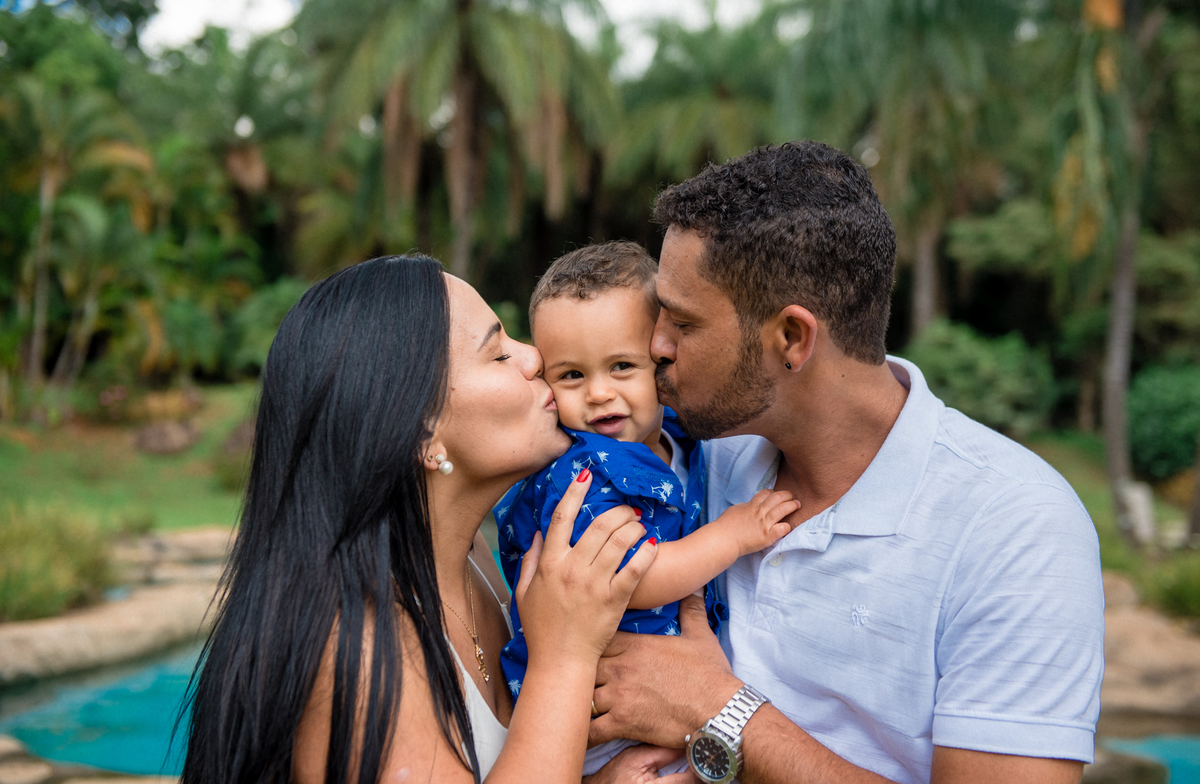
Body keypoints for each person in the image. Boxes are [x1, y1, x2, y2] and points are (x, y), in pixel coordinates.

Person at [587, 141, 1105, 784]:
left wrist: (718, 711)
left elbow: (695, 702)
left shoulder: (1015, 527)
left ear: (792, 338)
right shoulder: (699, 454)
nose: (655, 344)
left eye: (683, 323)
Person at [179, 255, 671, 784]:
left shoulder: (468, 557)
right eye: (498, 353)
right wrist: (564, 658)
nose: (535, 357)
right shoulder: (361, 651)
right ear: (422, 432)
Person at [492, 241, 798, 775]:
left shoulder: (680, 435)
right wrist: (733, 534)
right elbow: (631, 578)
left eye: (621, 366)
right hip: (604, 709)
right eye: (571, 375)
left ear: (660, 359)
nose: (598, 393)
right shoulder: (584, 473)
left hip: (666, 688)